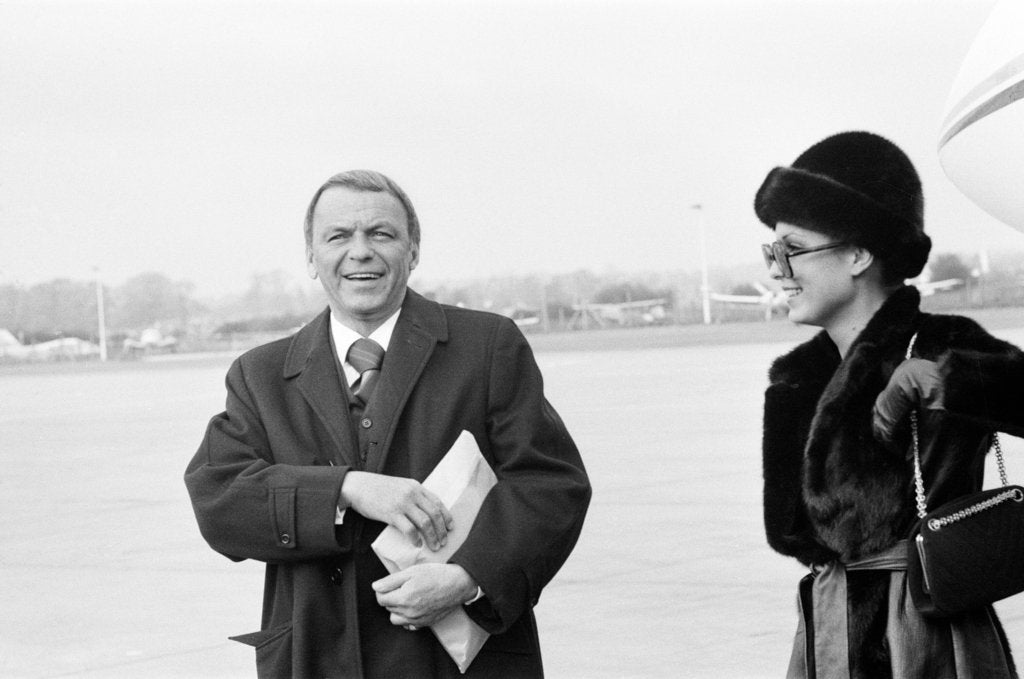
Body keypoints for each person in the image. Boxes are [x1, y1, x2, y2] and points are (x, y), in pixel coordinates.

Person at [184, 170, 591, 678]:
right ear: (311, 257)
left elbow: (551, 486)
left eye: (381, 233)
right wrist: (347, 489)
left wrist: (468, 578)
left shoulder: (488, 347)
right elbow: (219, 499)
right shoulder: (259, 374)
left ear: (412, 250)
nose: (360, 252)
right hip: (316, 661)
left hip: (458, 666)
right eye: (338, 236)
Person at [754, 131, 1023, 678]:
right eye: (770, 252)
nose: (777, 270)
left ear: (858, 253)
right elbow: (793, 533)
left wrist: (943, 381)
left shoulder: (941, 344)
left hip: (927, 633)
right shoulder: (794, 379)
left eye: (792, 249)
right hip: (827, 632)